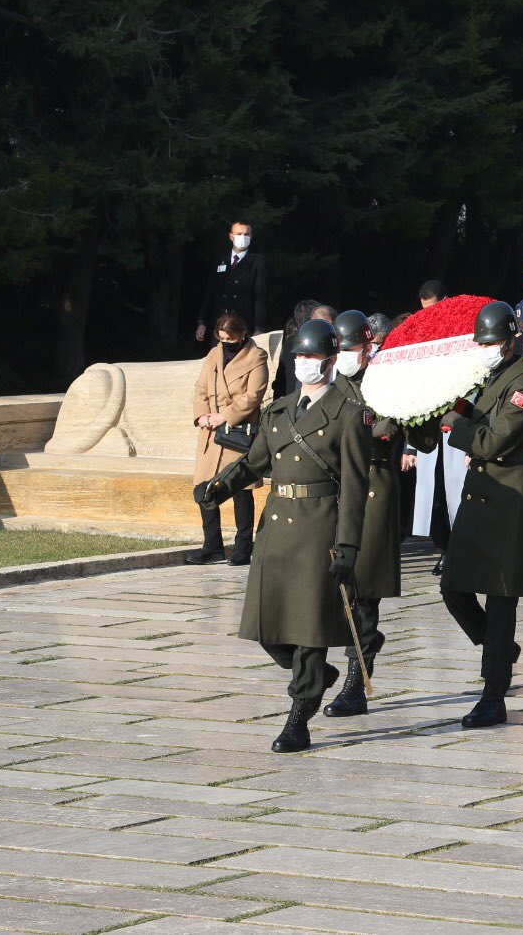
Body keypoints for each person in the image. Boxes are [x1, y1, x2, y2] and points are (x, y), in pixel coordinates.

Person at [194, 318, 371, 752]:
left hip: (317, 529)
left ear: (329, 363)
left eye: (310, 357)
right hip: (276, 525)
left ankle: (299, 717)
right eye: (298, 356)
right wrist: (220, 487)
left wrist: (347, 545)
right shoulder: (280, 409)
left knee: (308, 628)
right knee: (266, 626)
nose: (302, 363)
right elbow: (255, 462)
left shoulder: (348, 415)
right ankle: (317, 677)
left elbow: (354, 484)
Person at [432, 300, 523, 728]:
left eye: (493, 342)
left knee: (501, 596)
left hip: (508, 492)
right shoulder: (488, 379)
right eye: (482, 342)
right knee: (453, 586)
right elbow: (470, 419)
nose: (487, 349)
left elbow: (492, 441)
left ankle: (493, 694)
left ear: (511, 342)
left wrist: (457, 425)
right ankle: (499, 650)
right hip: (481, 491)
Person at [323, 309, 404, 718]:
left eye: (352, 348)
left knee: (363, 589)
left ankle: (356, 682)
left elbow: (406, 434)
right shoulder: (329, 388)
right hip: (334, 492)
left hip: (373, 489)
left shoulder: (386, 383)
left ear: (369, 346)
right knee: (333, 589)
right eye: (339, 350)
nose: (345, 356)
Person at [187, 312, 269, 566]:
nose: (225, 343)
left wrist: (225, 416)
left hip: (236, 430)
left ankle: (243, 546)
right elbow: (201, 388)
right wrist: (202, 416)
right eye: (221, 338)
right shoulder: (214, 354)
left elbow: (254, 395)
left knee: (240, 490)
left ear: (242, 335)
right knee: (204, 488)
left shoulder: (257, 357)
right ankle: (212, 545)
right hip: (210, 431)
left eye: (230, 339)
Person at [196, 221, 269, 343]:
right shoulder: (220, 259)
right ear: (231, 236)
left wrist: (260, 328)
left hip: (243, 326)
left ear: (251, 236)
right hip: (220, 325)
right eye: (239, 234)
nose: (243, 237)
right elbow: (210, 292)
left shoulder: (257, 262)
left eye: (246, 234)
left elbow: (261, 296)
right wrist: (201, 321)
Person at [276, 301, 335, 398]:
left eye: (311, 355)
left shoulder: (340, 350)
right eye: (300, 354)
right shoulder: (291, 342)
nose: (303, 359)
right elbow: (280, 384)